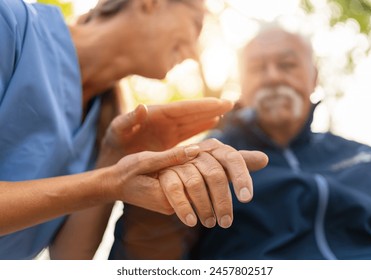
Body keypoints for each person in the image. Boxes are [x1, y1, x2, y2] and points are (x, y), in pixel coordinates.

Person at [0, 0, 268, 260]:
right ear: (151, 3)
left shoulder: (110, 124)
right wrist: (108, 182)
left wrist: (114, 156)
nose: (193, 51)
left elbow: (69, 258)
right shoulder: (11, 24)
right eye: (196, 24)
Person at [110, 26, 371, 260]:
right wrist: (155, 198)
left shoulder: (362, 155)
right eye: (257, 68)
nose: (272, 77)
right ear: (241, 84)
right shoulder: (200, 162)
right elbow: (140, 262)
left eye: (287, 65)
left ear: (313, 77)